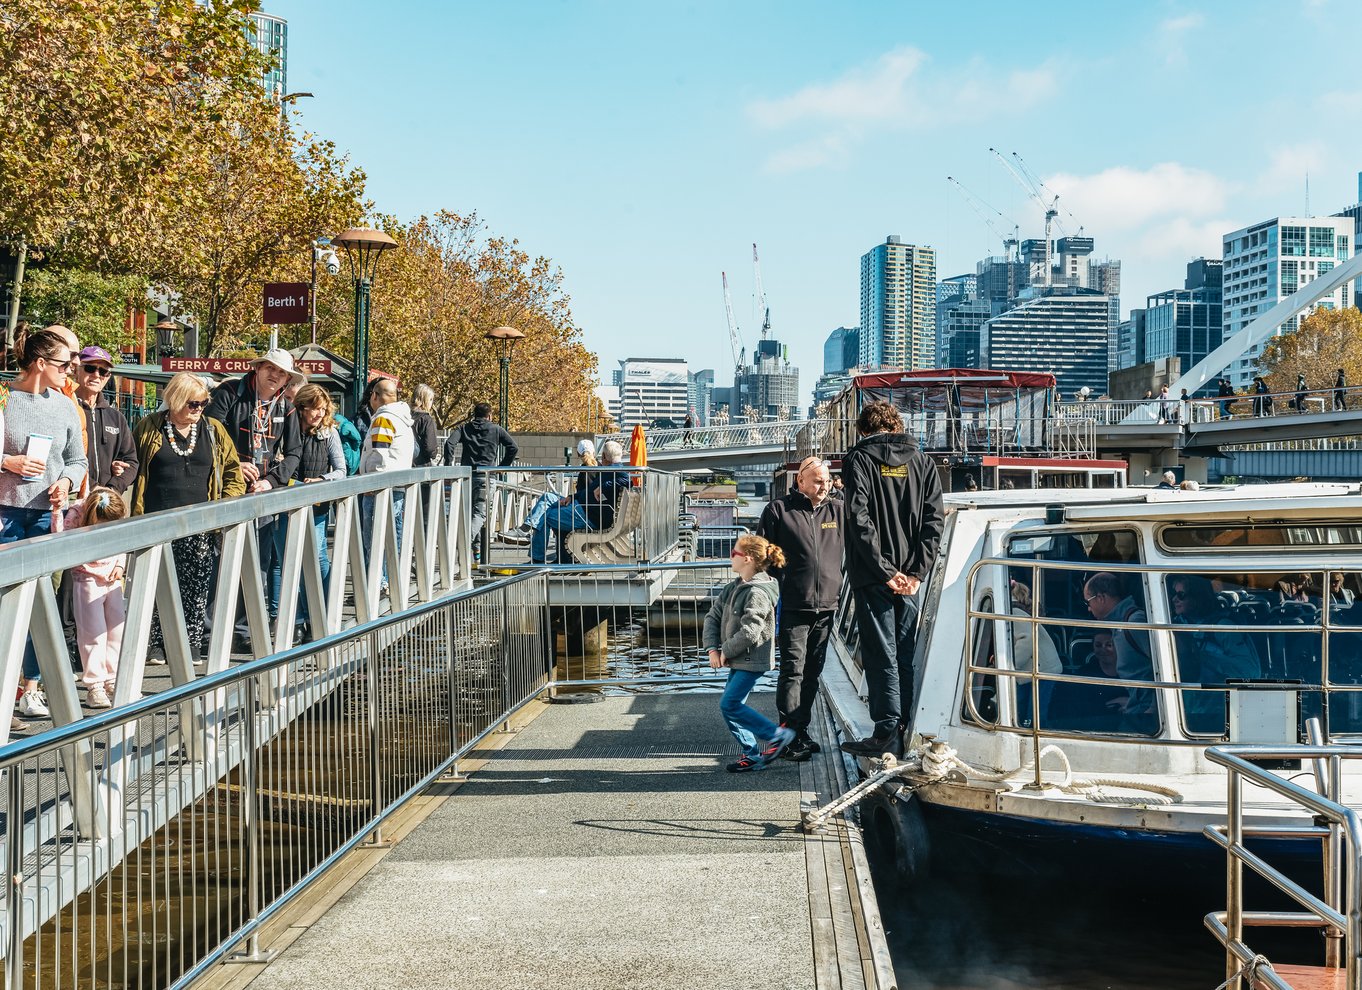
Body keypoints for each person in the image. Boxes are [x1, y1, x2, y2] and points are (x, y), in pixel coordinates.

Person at [838, 400, 945, 756]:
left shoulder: (859, 459)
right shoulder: (923, 462)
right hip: (910, 580)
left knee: (880, 651)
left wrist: (885, 571)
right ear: (896, 425)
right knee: (904, 651)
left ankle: (886, 732)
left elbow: (858, 519)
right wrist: (915, 572)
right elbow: (934, 522)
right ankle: (906, 726)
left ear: (865, 429)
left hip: (874, 576)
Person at [0, 327, 87, 717]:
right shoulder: (4, 399)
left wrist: (66, 481)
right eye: (65, 365)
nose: (70, 372)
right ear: (40, 363)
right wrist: (7, 462)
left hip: (44, 515)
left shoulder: (66, 405)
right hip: (4, 510)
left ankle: (30, 688)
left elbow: (78, 459)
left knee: (40, 601)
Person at [132, 372, 245, 664]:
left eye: (203, 403)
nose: (199, 409)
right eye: (193, 404)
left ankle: (190, 643)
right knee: (157, 582)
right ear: (176, 400)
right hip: (156, 519)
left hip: (202, 521)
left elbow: (233, 471)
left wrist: (225, 506)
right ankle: (156, 644)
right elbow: (134, 466)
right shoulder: (149, 428)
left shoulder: (213, 429)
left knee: (196, 584)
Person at [206, 349, 303, 651]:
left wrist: (271, 480)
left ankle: (246, 630)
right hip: (227, 490)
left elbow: (295, 452)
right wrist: (233, 461)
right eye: (270, 369)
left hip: (262, 494)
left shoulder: (286, 408)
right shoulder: (229, 393)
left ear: (288, 379)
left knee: (259, 562)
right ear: (258, 368)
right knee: (221, 561)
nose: (275, 376)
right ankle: (212, 631)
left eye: (282, 373)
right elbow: (208, 432)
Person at [757, 456, 843, 761]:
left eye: (827, 480)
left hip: (827, 605)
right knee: (792, 671)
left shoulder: (837, 510)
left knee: (812, 673)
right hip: (793, 604)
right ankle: (786, 735)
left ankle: (801, 730)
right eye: (817, 480)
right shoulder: (779, 511)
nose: (824, 486)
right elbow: (762, 558)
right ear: (801, 481)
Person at [703, 534, 794, 773]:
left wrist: (725, 650)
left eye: (734, 553)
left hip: (753, 660)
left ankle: (775, 735)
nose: (730, 556)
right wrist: (713, 648)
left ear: (749, 559)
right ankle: (752, 754)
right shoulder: (734, 587)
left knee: (730, 704)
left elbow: (751, 631)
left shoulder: (758, 592)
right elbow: (712, 616)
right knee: (731, 706)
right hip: (738, 659)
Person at [1169, 576, 1260, 733]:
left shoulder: (1222, 627)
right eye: (1174, 594)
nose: (1174, 599)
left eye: (1181, 595)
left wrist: (1203, 657)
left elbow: (1249, 671)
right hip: (1185, 708)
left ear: (1198, 597)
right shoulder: (1175, 626)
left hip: (1217, 708)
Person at [65, 487, 128, 709]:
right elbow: (62, 541)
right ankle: (95, 686)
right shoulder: (76, 515)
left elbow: (122, 541)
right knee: (93, 633)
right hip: (87, 576)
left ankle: (112, 678)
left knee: (116, 630)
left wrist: (120, 563)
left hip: (112, 576)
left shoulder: (114, 512)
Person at [292, 384, 347, 635]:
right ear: (302, 407)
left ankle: (322, 612)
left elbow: (341, 470)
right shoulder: (289, 428)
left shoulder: (329, 433)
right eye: (314, 409)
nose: (318, 414)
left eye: (322, 409)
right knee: (290, 560)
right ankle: (299, 618)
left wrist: (323, 480)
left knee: (317, 556)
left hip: (316, 504)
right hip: (289, 504)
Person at [529, 439, 624, 564]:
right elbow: (588, 491)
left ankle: (537, 558)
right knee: (548, 498)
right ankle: (529, 527)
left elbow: (627, 480)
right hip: (585, 509)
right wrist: (571, 497)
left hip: (588, 515)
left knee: (545, 515)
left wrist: (604, 486)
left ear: (605, 456)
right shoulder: (608, 469)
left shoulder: (614, 470)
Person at [1082, 572, 1154, 732]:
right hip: (1137, 708)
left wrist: (1154, 710)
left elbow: (1164, 667)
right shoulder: (1120, 624)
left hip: (1146, 715)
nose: (1088, 608)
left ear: (1100, 598)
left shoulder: (1134, 623)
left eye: (1088, 602)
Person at [444, 402, 517, 556]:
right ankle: (464, 541)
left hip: (466, 477)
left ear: (474, 415)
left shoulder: (464, 428)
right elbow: (513, 447)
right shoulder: (496, 429)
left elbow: (449, 444)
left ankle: (476, 548)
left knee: (470, 513)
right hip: (486, 476)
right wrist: (502, 467)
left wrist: (448, 464)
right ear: (489, 415)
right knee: (480, 514)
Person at [499, 439, 594, 546]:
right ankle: (526, 530)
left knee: (544, 513)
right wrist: (572, 497)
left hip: (583, 510)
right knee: (547, 498)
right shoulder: (597, 467)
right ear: (594, 452)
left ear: (578, 453)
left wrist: (572, 497)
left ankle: (533, 549)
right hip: (583, 508)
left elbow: (587, 494)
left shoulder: (586, 470)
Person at [1008, 579, 1062, 727]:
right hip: (1038, 667)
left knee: (1036, 715)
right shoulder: (1019, 610)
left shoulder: (1013, 612)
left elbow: (1027, 639)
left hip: (1041, 669)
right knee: (1030, 710)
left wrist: (1010, 663)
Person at [1050, 630, 1127, 732]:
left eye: (1109, 645)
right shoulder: (1085, 675)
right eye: (1098, 645)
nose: (1103, 649)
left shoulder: (1131, 673)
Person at [410, 384, 441, 467]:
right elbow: (430, 447)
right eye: (431, 399)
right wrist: (434, 454)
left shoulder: (404, 415)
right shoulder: (427, 420)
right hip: (421, 464)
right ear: (425, 400)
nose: (432, 403)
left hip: (405, 463)